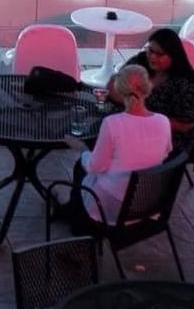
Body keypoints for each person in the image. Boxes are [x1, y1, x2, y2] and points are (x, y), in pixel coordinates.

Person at [60, 65, 171, 227]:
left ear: (118, 90)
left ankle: (80, 224)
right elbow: (164, 154)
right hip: (148, 201)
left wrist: (82, 149)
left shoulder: (113, 123)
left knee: (82, 166)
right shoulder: (163, 121)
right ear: (147, 88)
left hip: (115, 205)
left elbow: (94, 167)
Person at [123, 27, 194, 152]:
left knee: (119, 141)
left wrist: (147, 119)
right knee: (103, 128)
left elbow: (186, 125)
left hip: (170, 135)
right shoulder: (142, 61)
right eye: (150, 50)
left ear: (173, 56)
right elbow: (116, 82)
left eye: (159, 54)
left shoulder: (184, 84)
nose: (152, 57)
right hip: (138, 123)